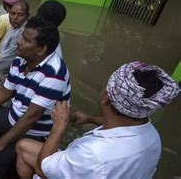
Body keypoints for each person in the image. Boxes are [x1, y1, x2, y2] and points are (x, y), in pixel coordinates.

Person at [15, 62, 179, 179]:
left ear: (106, 98)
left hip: (89, 166)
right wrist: (89, 118)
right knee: (25, 146)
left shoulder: (93, 153)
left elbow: (44, 168)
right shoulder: (152, 135)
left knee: (24, 148)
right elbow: (123, 127)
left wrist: (59, 126)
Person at [0, 17, 71, 178]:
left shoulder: (54, 74)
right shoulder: (20, 60)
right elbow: (5, 93)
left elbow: (31, 116)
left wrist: (1, 143)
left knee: (0, 161)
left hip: (34, 130)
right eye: (22, 36)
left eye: (26, 40)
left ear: (41, 49)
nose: (19, 42)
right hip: (14, 116)